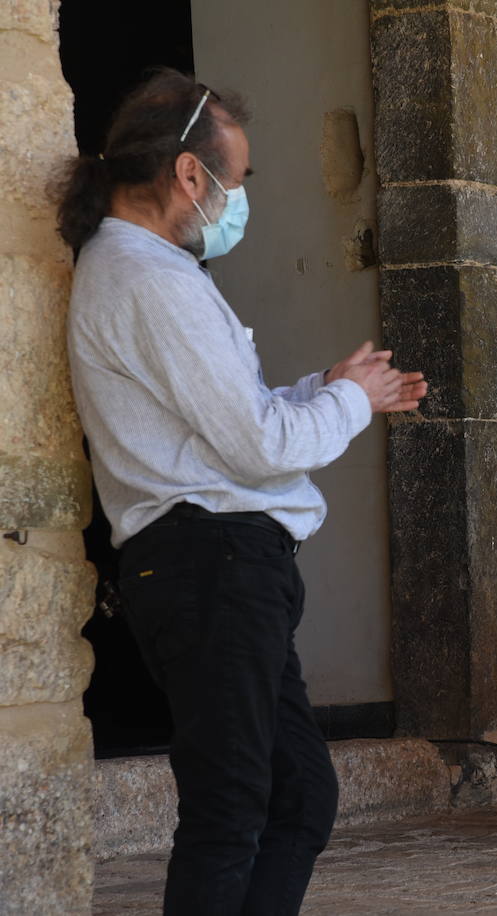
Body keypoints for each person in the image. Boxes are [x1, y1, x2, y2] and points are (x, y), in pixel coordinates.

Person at [61, 70, 426, 914]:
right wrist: (350, 401)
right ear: (190, 175)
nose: (236, 201)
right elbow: (259, 448)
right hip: (209, 564)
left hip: (223, 565)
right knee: (235, 810)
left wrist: (326, 389)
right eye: (236, 180)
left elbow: (223, 424)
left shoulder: (146, 271)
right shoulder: (147, 277)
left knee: (297, 797)